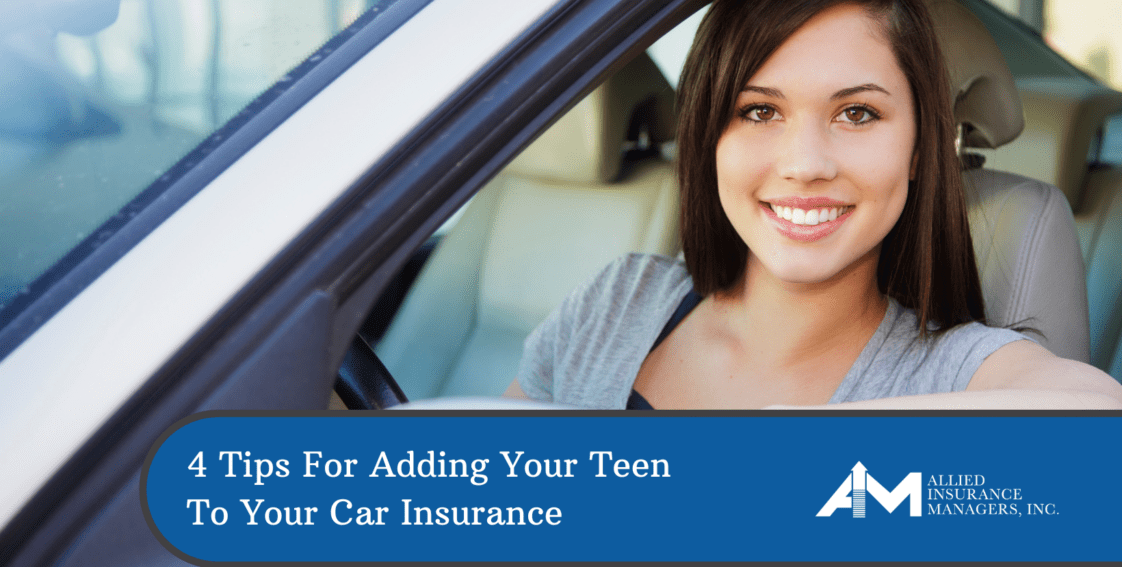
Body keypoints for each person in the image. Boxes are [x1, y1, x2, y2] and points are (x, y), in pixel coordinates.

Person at [505, 0, 1122, 409]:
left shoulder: (957, 376)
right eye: (759, 111)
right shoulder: (617, 304)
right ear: (710, 139)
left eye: (857, 113)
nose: (805, 164)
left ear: (917, 149)